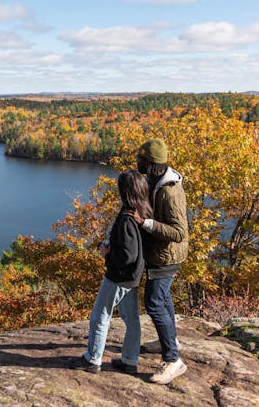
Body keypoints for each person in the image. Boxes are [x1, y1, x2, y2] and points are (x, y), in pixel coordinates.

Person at [68, 169, 150, 374]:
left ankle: (93, 359)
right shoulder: (142, 212)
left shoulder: (127, 218)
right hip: (133, 276)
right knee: (131, 319)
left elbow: (127, 255)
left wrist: (107, 254)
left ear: (126, 192)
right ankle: (130, 360)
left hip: (119, 277)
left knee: (99, 316)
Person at [131, 138, 189, 385]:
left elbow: (179, 232)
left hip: (167, 258)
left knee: (153, 303)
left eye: (141, 160)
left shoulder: (169, 191)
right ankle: (170, 340)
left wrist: (145, 223)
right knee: (163, 299)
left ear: (151, 163)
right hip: (160, 255)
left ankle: (173, 360)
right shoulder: (155, 182)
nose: (137, 163)